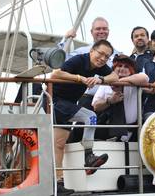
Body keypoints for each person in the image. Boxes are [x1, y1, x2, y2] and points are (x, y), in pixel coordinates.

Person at [50, 40, 118, 194]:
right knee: (91, 117)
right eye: (100, 53)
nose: (102, 58)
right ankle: (89, 156)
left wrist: (101, 80)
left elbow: (114, 76)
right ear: (92, 50)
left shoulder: (100, 67)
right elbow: (55, 73)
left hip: (67, 103)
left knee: (59, 145)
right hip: (56, 101)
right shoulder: (79, 60)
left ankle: (57, 184)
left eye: (106, 57)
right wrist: (80, 78)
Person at [61, 16, 121, 110]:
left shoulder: (118, 54)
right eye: (98, 29)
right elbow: (60, 61)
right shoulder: (81, 52)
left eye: (104, 29)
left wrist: (101, 79)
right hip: (87, 98)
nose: (101, 31)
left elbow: (117, 75)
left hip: (110, 99)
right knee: (86, 121)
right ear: (91, 32)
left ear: (108, 31)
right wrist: (65, 39)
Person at [92, 55, 148, 141]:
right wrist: (110, 101)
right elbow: (96, 106)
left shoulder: (135, 82)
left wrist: (118, 82)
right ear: (114, 68)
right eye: (119, 66)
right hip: (109, 131)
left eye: (126, 66)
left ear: (131, 70)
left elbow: (144, 78)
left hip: (132, 130)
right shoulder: (105, 85)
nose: (122, 68)